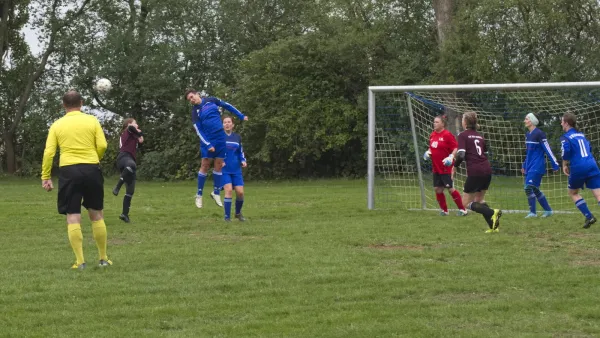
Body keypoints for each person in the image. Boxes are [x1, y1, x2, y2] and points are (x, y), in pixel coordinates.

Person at [41, 90, 111, 269]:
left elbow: (49, 153)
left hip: (68, 171)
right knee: (96, 213)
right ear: (82, 102)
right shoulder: (92, 121)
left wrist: (46, 176)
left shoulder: (57, 125)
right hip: (91, 168)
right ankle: (103, 258)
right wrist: (96, 158)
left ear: (63, 105)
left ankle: (80, 262)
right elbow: (102, 144)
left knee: (73, 215)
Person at [185, 89, 248, 209]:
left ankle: (216, 193)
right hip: (208, 140)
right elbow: (199, 130)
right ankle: (199, 195)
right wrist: (208, 144)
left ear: (197, 94)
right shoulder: (195, 112)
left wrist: (240, 115)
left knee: (219, 165)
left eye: (192, 97)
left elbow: (227, 106)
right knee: (205, 165)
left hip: (220, 138)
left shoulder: (211, 100)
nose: (192, 100)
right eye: (189, 99)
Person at [453, 111, 502, 233]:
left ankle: (492, 212)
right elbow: (484, 151)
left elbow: (461, 154)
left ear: (465, 122)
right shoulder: (480, 136)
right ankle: (493, 226)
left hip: (475, 172)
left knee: (465, 203)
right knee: (479, 200)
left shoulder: (463, 135)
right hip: (486, 170)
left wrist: (455, 166)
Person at [560, 112, 600, 228]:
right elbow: (590, 147)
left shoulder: (566, 137)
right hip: (592, 164)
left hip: (579, 166)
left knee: (573, 193)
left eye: (562, 121)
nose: (561, 123)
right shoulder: (581, 135)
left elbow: (565, 152)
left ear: (566, 123)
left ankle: (589, 216)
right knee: (598, 194)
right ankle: (589, 217)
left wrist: (564, 165)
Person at [423, 115, 468, 216]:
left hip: (446, 167)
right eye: (434, 122)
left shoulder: (447, 135)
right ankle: (444, 211)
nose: (434, 123)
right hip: (436, 167)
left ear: (443, 124)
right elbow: (432, 148)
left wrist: (451, 157)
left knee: (450, 188)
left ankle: (463, 209)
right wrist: (428, 152)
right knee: (437, 189)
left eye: (437, 122)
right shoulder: (432, 135)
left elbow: (455, 147)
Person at [521, 113, 560, 218]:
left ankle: (533, 213)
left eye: (526, 119)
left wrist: (554, 163)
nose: (524, 121)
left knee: (528, 187)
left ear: (531, 121)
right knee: (534, 189)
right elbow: (528, 152)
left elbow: (547, 149)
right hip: (529, 166)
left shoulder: (539, 133)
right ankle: (548, 210)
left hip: (537, 165)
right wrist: (524, 165)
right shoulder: (528, 134)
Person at [112, 118, 144, 223]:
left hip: (130, 162)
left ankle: (124, 214)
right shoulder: (128, 131)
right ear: (129, 124)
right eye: (135, 123)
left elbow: (141, 141)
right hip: (124, 158)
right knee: (131, 165)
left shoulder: (133, 135)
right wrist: (139, 134)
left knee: (130, 190)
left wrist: (140, 136)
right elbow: (132, 129)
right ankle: (118, 186)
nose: (137, 124)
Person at [222, 116, 247, 222]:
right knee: (228, 191)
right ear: (222, 125)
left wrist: (243, 160)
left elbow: (240, 151)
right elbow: (213, 152)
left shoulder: (237, 137)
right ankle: (227, 218)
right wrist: (219, 161)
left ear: (232, 125)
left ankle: (238, 213)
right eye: (225, 122)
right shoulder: (219, 137)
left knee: (240, 193)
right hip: (224, 169)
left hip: (236, 169)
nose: (227, 124)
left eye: (229, 122)